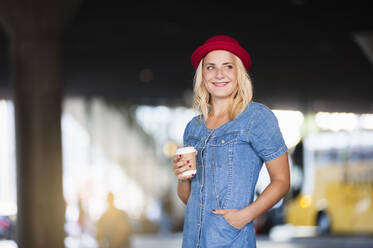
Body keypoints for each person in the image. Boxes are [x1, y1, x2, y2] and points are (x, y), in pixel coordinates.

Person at [172, 35, 290, 247]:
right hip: (192, 241)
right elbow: (188, 199)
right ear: (202, 75)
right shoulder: (193, 127)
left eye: (228, 66)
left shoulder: (257, 117)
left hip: (230, 240)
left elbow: (281, 181)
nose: (219, 74)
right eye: (210, 67)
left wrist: (246, 215)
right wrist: (182, 177)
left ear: (239, 73)